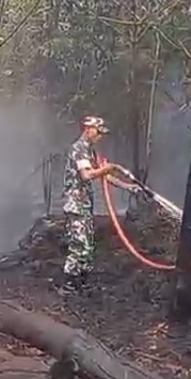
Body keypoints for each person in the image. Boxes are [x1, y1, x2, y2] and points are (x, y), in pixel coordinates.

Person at [60, 115, 135, 293]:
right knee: (78, 245)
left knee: (87, 245)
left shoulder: (89, 151)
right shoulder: (78, 148)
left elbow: (103, 176)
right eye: (98, 132)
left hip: (85, 205)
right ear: (88, 129)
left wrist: (127, 186)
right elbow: (87, 175)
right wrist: (109, 167)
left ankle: (83, 283)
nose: (100, 136)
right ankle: (69, 285)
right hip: (76, 205)